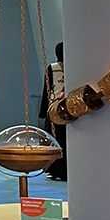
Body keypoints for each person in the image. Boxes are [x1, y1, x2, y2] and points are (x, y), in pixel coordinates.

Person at [41, 41, 67, 181]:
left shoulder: (52, 68)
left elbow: (46, 90)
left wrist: (43, 111)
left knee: (54, 140)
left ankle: (54, 169)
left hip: (54, 108)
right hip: (68, 108)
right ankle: (66, 170)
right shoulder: (74, 67)